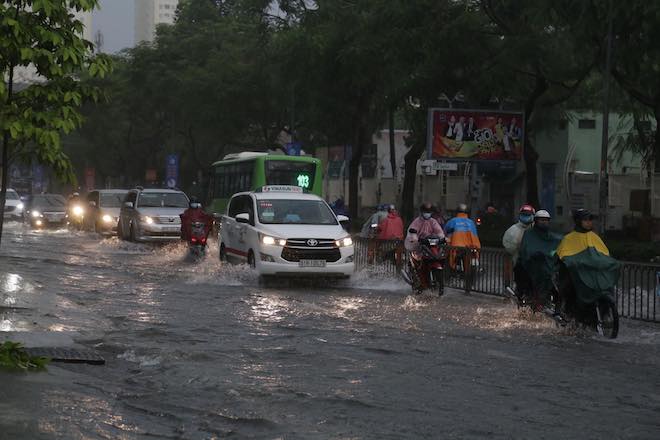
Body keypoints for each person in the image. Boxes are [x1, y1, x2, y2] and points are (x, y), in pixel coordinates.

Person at [555, 209, 617, 318]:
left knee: (607, 285)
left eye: (590, 220)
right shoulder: (569, 238)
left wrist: (608, 261)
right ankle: (560, 310)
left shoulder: (594, 237)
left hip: (592, 272)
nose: (589, 222)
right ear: (579, 221)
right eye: (586, 220)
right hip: (576, 273)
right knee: (567, 286)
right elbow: (562, 255)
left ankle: (606, 312)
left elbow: (603, 253)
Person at [517, 210, 562, 308]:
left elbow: (557, 247)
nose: (544, 222)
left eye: (546, 220)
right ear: (536, 221)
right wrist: (532, 255)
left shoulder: (552, 237)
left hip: (548, 268)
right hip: (531, 267)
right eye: (541, 220)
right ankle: (524, 295)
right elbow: (526, 249)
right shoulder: (529, 234)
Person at [404, 202, 445, 290]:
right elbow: (413, 231)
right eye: (426, 211)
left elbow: (439, 231)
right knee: (417, 259)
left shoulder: (433, 221)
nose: (427, 213)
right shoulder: (417, 221)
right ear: (422, 212)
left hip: (430, 245)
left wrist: (442, 238)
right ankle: (416, 278)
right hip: (419, 245)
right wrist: (415, 238)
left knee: (439, 256)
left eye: (429, 211)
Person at [444, 203, 481, 270]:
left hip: (455, 247)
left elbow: (445, 231)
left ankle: (452, 269)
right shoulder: (471, 222)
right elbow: (475, 236)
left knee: (450, 259)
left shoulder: (453, 221)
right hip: (469, 247)